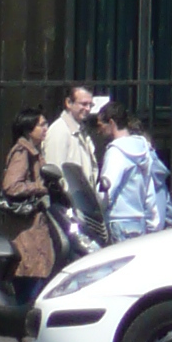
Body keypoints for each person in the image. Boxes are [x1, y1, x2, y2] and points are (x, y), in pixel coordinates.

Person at [0, 113, 58, 302]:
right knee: (31, 274)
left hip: (36, 225)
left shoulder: (34, 151)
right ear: (28, 129)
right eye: (41, 125)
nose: (45, 128)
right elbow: (11, 185)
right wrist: (40, 188)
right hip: (26, 228)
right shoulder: (22, 153)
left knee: (39, 272)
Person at [99, 108, 172, 240]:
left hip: (118, 221)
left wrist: (98, 209)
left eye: (100, 125)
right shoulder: (143, 149)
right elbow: (149, 189)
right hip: (138, 222)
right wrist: (153, 222)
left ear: (111, 123)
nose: (98, 131)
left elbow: (107, 188)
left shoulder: (116, 151)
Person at [43, 85, 103, 234]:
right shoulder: (59, 131)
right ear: (68, 103)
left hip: (84, 208)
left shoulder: (81, 130)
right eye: (83, 104)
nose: (88, 109)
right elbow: (55, 173)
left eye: (90, 104)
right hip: (70, 210)